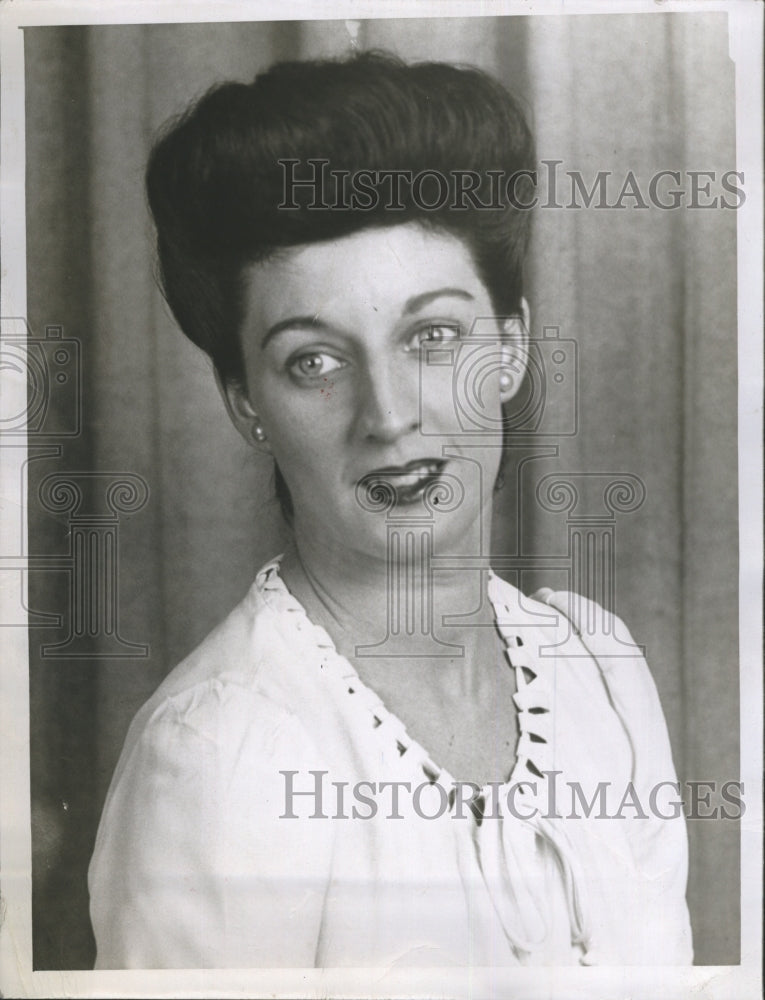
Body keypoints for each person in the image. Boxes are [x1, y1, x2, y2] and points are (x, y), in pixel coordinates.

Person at [88, 51, 693, 969]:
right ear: (245, 401)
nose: (388, 414)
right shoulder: (223, 754)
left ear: (514, 347)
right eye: (314, 360)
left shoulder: (598, 671)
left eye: (433, 335)